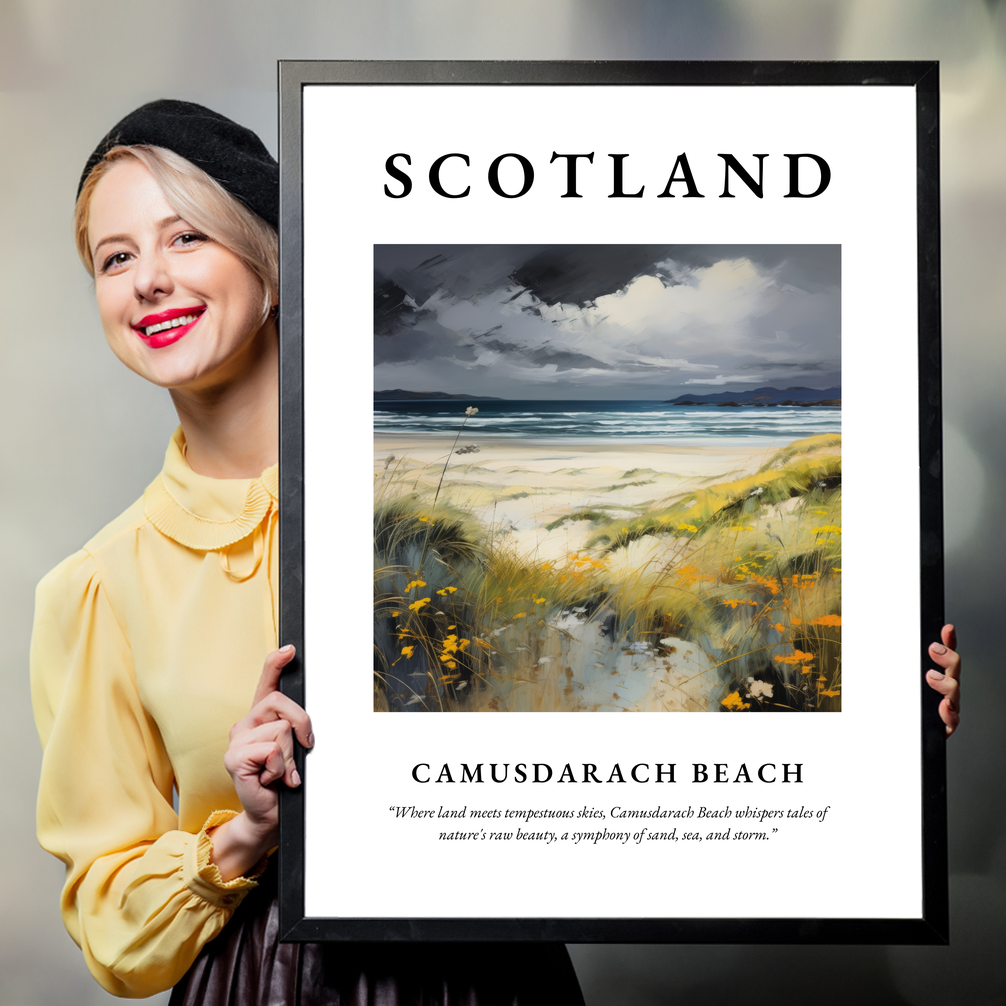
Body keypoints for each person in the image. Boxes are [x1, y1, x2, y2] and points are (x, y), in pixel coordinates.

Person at [30, 100, 585, 1004]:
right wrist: (245, 832)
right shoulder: (97, 586)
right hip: (263, 981)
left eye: (186, 239)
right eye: (116, 257)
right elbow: (110, 924)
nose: (148, 281)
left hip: (492, 973)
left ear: (274, 265)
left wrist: (885, 707)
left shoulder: (449, 507)